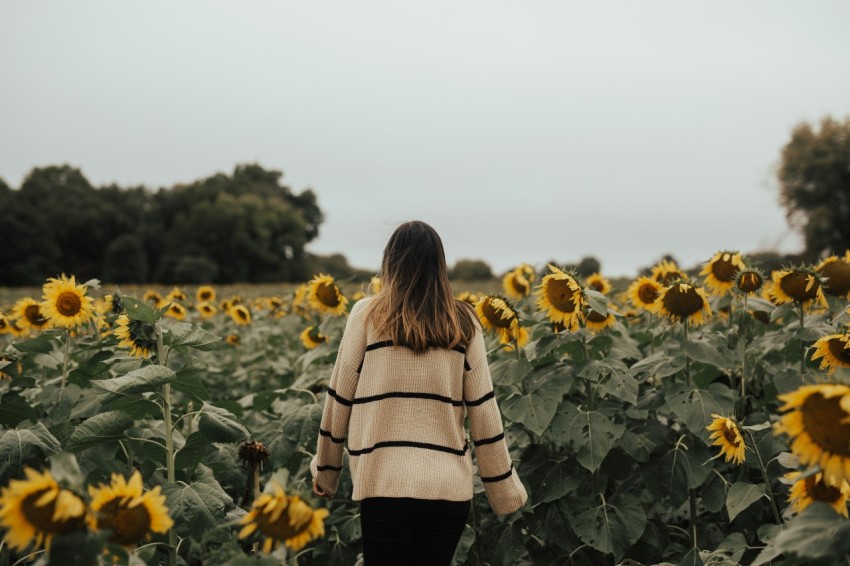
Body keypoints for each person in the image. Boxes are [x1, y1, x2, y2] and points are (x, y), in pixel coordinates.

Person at [310, 220, 527, 565]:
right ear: (439, 266)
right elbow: (484, 411)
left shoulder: (366, 315)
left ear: (389, 263)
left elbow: (340, 397)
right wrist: (504, 490)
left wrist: (326, 469)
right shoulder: (464, 322)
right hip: (448, 492)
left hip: (385, 484)